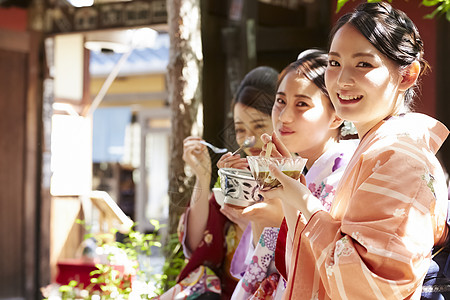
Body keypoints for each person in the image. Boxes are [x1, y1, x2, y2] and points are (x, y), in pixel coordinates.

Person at [260, 3, 449, 299]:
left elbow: (369, 286)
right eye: (334, 63)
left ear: (407, 75)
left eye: (363, 64)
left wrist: (302, 199)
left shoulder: (399, 157)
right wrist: (289, 191)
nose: (343, 80)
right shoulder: (377, 147)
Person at [229, 49, 358, 299]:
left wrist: (281, 220)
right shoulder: (295, 168)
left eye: (302, 104)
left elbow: (332, 264)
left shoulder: (346, 172)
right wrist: (262, 221)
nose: (285, 116)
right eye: (280, 102)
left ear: (337, 116)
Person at [153, 66, 278, 300]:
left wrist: (250, 223)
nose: (248, 139)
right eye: (240, 129)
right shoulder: (237, 178)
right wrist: (203, 176)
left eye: (260, 126)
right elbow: (196, 242)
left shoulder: (295, 183)